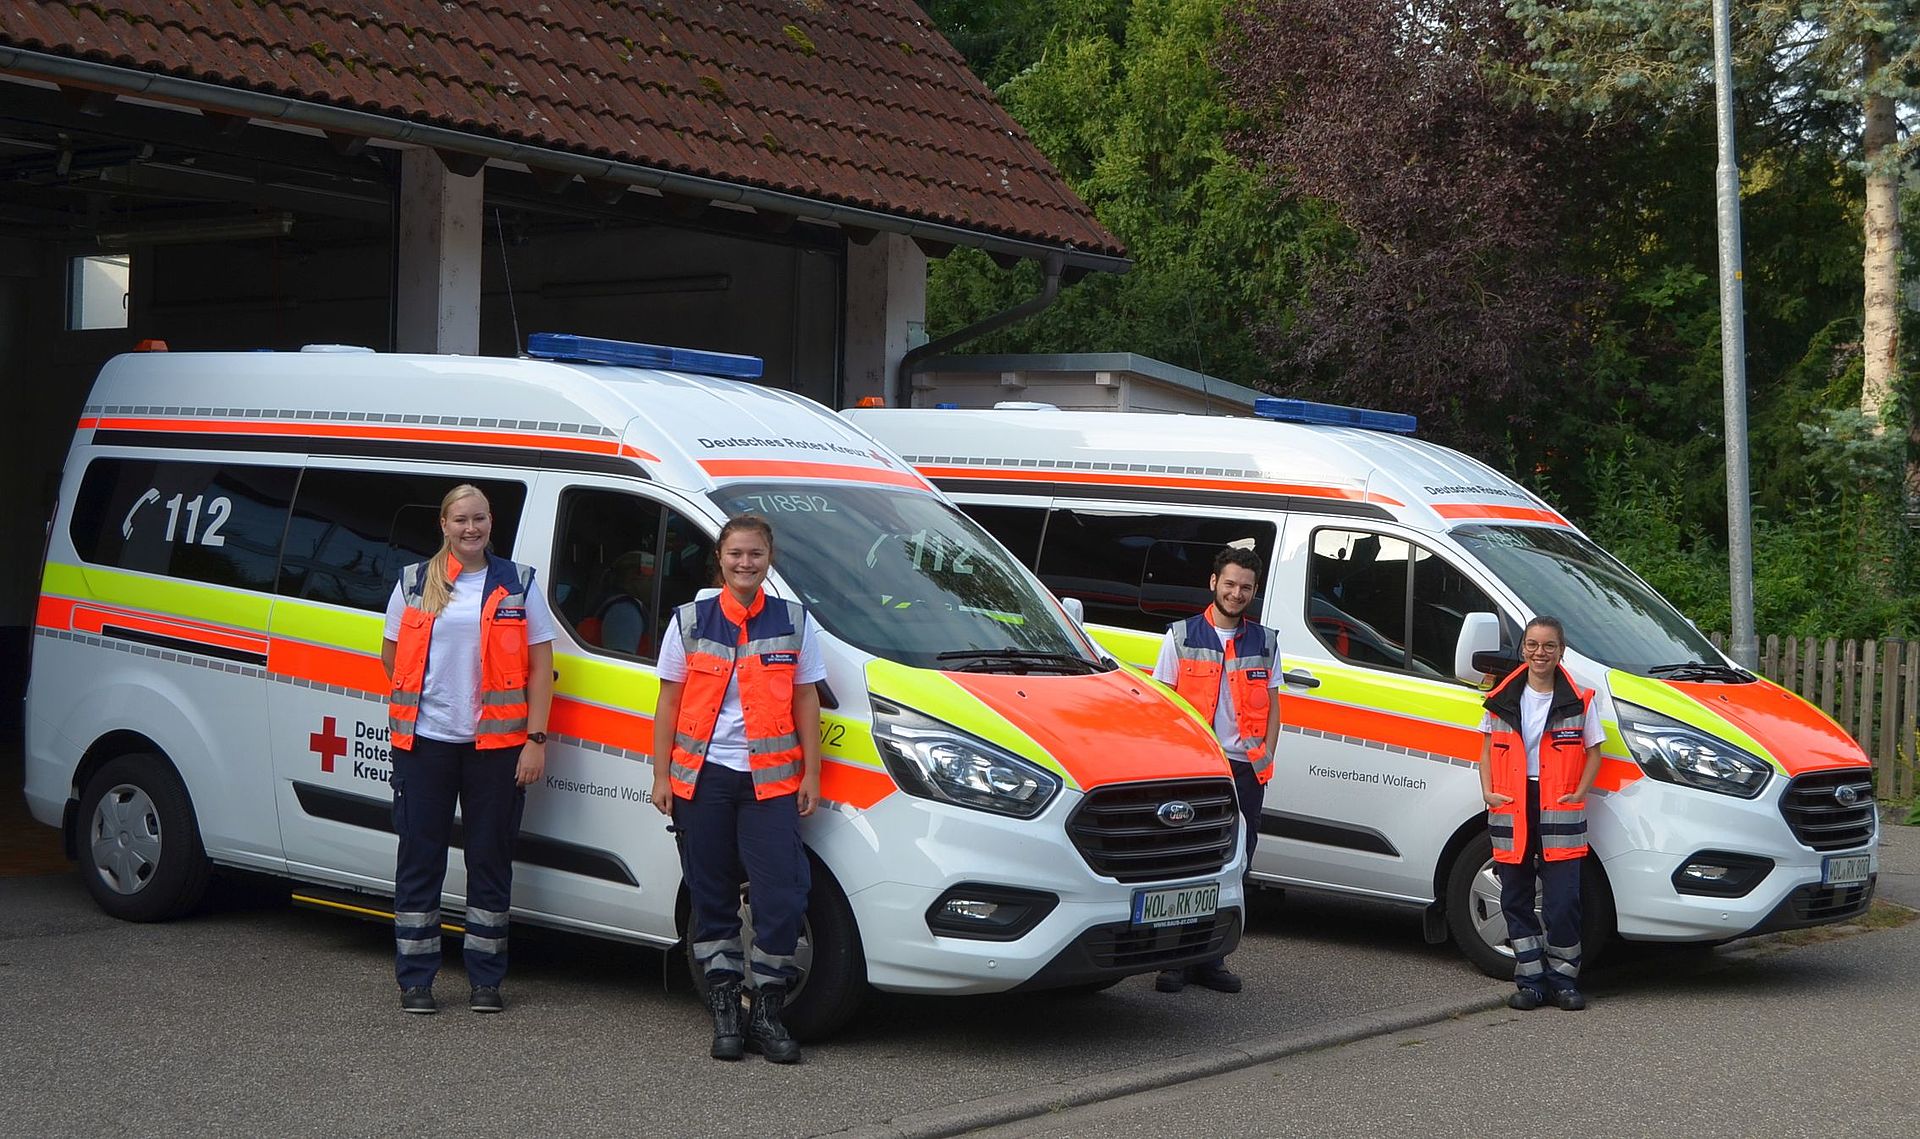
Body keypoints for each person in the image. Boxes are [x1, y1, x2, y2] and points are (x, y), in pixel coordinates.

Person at [652, 515, 825, 1063]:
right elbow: (668, 702)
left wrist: (813, 776)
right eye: (735, 555)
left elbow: (805, 701)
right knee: (711, 894)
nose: (745, 563)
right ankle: (726, 1005)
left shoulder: (795, 622)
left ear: (769, 559)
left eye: (754, 554)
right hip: (702, 779)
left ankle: (768, 1008)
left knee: (780, 896)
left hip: (770, 782)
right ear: (720, 559)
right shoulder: (689, 621)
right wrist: (661, 775)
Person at [381, 484, 555, 1015]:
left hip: (497, 749)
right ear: (443, 524)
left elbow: (542, 667)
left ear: (490, 522)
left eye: (479, 519)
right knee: (419, 860)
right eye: (461, 520)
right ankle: (416, 981)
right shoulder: (414, 582)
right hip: (425, 744)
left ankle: (485, 980)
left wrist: (535, 740)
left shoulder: (518, 583)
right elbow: (391, 655)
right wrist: (430, 699)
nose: (471, 529)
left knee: (490, 860)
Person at [1150, 545, 1281, 994]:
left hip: (1245, 771)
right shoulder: (1180, 636)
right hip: (1197, 769)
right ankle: (1173, 962)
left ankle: (1211, 959)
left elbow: (1275, 709)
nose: (1236, 592)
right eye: (1229, 584)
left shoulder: (1265, 641)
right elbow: (1164, 706)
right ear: (1213, 584)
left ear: (1254, 591)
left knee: (1235, 867)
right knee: (1184, 867)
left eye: (1245, 587)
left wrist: (1266, 755)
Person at [1479, 615, 1605, 1012]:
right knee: (1514, 896)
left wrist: (1579, 793)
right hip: (1512, 803)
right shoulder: (1501, 697)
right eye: (1532, 645)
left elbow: (1594, 752)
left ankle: (1564, 980)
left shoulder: (1579, 699)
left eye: (1548, 646)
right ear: (1523, 649)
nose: (1540, 653)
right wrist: (1488, 792)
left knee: (1563, 900)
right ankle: (1531, 980)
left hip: (1559, 805)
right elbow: (1487, 748)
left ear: (1561, 651)